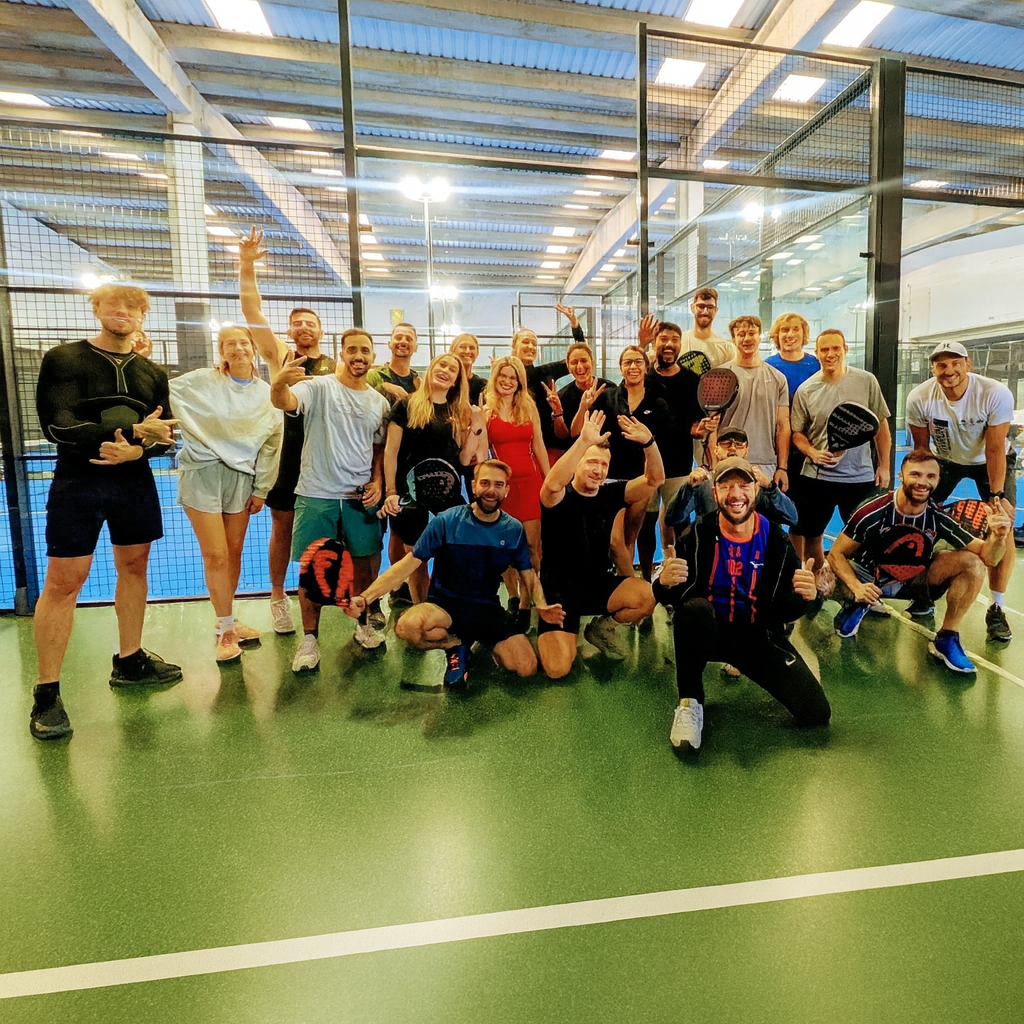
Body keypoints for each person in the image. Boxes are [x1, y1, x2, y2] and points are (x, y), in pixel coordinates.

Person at [30, 285, 180, 741]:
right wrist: (133, 430)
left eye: (132, 306)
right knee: (64, 581)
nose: (122, 311)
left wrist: (140, 452)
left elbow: (164, 435)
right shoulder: (64, 359)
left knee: (135, 567)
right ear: (96, 308)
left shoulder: (152, 373)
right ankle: (47, 693)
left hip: (133, 483)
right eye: (112, 303)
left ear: (142, 316)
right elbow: (58, 425)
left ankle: (130, 660)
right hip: (79, 483)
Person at [653, 457, 831, 752]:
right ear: (715, 493)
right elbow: (674, 597)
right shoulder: (698, 534)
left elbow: (785, 610)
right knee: (693, 611)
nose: (736, 494)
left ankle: (748, 665)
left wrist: (810, 598)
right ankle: (690, 700)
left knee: (816, 713)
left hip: (757, 638)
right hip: (711, 632)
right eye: (726, 486)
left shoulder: (776, 541)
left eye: (743, 485)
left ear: (755, 490)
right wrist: (663, 584)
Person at [347, 460, 564, 689]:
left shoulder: (513, 530)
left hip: (486, 609)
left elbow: (528, 574)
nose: (491, 490)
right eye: (485, 483)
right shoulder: (447, 521)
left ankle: (481, 646)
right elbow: (406, 565)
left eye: (498, 485)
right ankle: (455, 645)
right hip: (444, 607)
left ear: (506, 490)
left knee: (526, 667)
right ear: (473, 487)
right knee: (407, 627)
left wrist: (541, 605)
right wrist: (366, 597)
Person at [828, 449, 1011, 672]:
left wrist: (998, 537)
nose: (922, 482)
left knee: (974, 563)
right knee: (825, 576)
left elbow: (989, 558)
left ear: (938, 480)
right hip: (869, 579)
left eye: (930, 476)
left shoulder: (937, 516)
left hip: (913, 580)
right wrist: (857, 587)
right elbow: (836, 554)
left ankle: (947, 637)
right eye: (915, 474)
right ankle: (856, 604)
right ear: (901, 476)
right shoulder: (872, 511)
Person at [270, 328, 390, 670]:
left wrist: (378, 480)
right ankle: (309, 639)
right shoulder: (318, 387)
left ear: (373, 357)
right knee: (313, 571)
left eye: (365, 350)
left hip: (358, 498)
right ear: (342, 353)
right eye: (352, 349)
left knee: (365, 565)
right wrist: (278, 383)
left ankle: (363, 625)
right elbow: (284, 401)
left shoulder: (378, 402)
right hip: (316, 494)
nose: (359, 356)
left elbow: (378, 449)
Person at [238, 226, 337, 636]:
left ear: (321, 331)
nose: (304, 327)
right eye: (297, 323)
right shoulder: (281, 356)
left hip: (325, 460)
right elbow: (252, 313)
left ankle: (328, 590)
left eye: (310, 323)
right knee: (281, 528)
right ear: (290, 332)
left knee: (328, 531)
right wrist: (246, 265)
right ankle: (278, 598)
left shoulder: (336, 367)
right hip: (287, 458)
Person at [170, 326, 282, 663]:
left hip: (242, 479)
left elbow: (271, 444)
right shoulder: (200, 381)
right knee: (216, 555)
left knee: (233, 552)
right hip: (202, 475)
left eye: (243, 342)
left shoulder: (266, 394)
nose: (238, 348)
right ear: (221, 351)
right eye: (229, 343)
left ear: (253, 349)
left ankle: (226, 620)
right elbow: (162, 391)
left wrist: (262, 488)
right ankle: (226, 631)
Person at [537, 411, 664, 677]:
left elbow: (654, 480)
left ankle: (600, 629)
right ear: (577, 463)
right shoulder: (558, 497)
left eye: (604, 465)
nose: (598, 470)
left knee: (648, 596)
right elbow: (551, 484)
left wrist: (649, 443)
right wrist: (583, 441)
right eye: (592, 462)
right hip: (559, 595)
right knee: (557, 669)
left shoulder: (610, 494)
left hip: (596, 586)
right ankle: (563, 633)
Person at [906, 342, 1016, 643]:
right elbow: (921, 450)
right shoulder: (920, 397)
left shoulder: (994, 393)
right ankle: (923, 591)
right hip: (945, 460)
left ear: (967, 364)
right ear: (933, 369)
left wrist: (996, 496)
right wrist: (918, 488)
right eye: (941, 365)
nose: (949, 370)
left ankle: (996, 607)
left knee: (1003, 527)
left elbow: (995, 448)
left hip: (988, 460)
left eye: (955, 363)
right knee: (918, 518)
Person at [380, 352, 484, 603]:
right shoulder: (406, 405)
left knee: (457, 551)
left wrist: (477, 427)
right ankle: (421, 608)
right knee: (417, 558)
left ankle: (444, 602)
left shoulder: (458, 411)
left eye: (452, 370)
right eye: (441, 365)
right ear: (431, 369)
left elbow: (464, 459)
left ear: (456, 380)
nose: (445, 371)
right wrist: (391, 492)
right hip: (411, 495)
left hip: (448, 496)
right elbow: (390, 452)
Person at [789, 328, 891, 572]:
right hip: (817, 478)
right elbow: (797, 434)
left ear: (845, 349)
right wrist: (813, 453)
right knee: (812, 535)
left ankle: (859, 583)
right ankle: (818, 581)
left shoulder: (866, 381)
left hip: (860, 477)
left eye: (836, 348)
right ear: (816, 353)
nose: (830, 354)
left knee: (865, 536)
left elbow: (880, 426)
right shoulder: (806, 389)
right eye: (824, 349)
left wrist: (884, 466)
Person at [570, 345, 671, 579]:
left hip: (640, 478)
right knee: (614, 539)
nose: (633, 367)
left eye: (638, 362)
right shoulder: (608, 397)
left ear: (646, 367)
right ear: (621, 367)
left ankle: (626, 585)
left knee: (630, 537)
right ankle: (622, 584)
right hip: (610, 477)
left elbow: (664, 440)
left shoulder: (657, 402)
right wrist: (585, 407)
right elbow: (580, 432)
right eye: (627, 362)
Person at [634, 316, 706, 568]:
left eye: (674, 339)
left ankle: (682, 572)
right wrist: (640, 346)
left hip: (678, 463)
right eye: (663, 338)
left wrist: (698, 430)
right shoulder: (643, 377)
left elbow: (695, 423)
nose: (669, 343)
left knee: (681, 520)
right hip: (644, 464)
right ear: (654, 343)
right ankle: (646, 577)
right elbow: (626, 394)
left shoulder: (692, 380)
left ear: (680, 345)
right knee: (646, 522)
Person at [484, 356, 550, 628]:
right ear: (495, 378)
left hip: (531, 484)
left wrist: (550, 481)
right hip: (503, 489)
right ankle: (512, 595)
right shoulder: (486, 411)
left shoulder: (528, 407)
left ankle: (526, 601)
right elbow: (482, 452)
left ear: (519, 381)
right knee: (505, 545)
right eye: (503, 376)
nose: (507, 381)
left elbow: (539, 446)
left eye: (513, 377)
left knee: (533, 546)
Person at [665, 426, 798, 531]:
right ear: (716, 449)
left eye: (739, 444)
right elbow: (672, 519)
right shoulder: (704, 483)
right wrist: (688, 487)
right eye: (726, 443)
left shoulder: (760, 483)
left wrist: (770, 488)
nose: (733, 448)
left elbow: (792, 518)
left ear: (746, 450)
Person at [719, 315, 791, 487]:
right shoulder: (720, 376)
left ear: (760, 337)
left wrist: (782, 467)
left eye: (752, 333)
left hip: (765, 463)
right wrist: (714, 464)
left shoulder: (778, 378)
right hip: (727, 461)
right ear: (733, 339)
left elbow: (783, 425)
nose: (747, 339)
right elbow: (712, 426)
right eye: (741, 334)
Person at [766, 312, 819, 487]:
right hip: (777, 441)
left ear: (804, 333)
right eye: (784, 330)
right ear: (777, 335)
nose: (790, 334)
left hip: (809, 440)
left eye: (795, 329)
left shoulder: (816, 365)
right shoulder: (768, 366)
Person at [676, 287, 736, 368]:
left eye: (710, 307)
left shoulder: (726, 348)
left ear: (716, 310)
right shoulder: (678, 342)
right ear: (692, 308)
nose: (705, 312)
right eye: (701, 306)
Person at [368, 322, 421, 404]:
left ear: (416, 348)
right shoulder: (373, 376)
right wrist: (382, 387)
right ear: (389, 344)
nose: (403, 341)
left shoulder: (420, 385)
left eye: (409, 339)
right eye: (398, 338)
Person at [450, 332, 487, 404]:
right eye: (463, 347)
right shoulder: (446, 382)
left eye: (472, 348)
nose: (467, 351)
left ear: (477, 353)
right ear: (453, 351)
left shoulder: (483, 386)